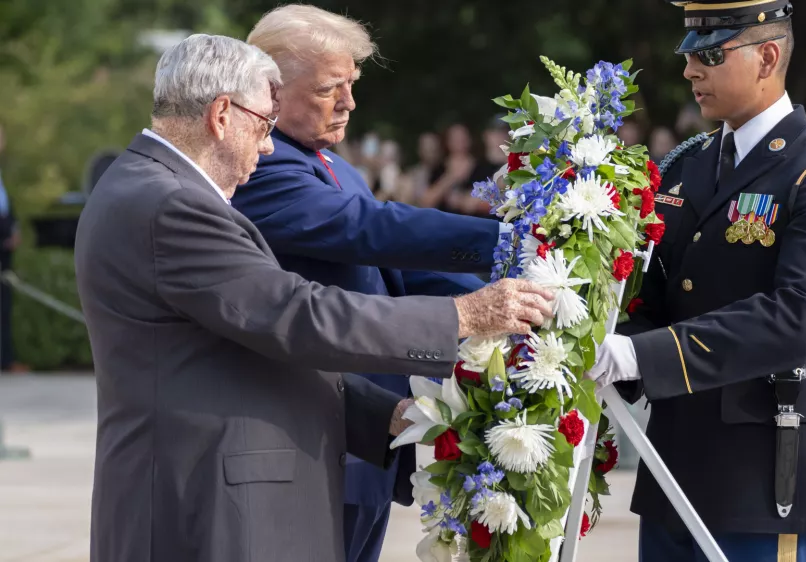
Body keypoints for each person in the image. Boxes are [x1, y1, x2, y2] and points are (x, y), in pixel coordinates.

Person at [75, 34, 553, 562]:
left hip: (218, 494)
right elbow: (295, 314)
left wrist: (391, 415)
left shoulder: (155, 188)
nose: (266, 145)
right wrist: (464, 315)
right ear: (220, 115)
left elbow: (248, 344)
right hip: (205, 505)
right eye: (262, 125)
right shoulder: (170, 203)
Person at [585, 2, 806, 560]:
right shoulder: (684, 165)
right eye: (690, 54)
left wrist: (642, 356)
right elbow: (651, 290)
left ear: (768, 57)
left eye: (711, 54)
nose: (691, 69)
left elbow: (801, 315)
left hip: (759, 468)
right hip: (672, 459)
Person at [231, 7, 512, 562]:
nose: (349, 103)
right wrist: (506, 238)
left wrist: (515, 289)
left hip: (369, 433)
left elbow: (404, 273)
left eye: (352, 84)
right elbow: (371, 229)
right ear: (271, 91)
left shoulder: (331, 164)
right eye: (330, 88)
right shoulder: (263, 169)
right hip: (318, 434)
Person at [0, 122, 22, 373]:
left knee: (5, 308)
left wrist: (14, 230)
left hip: (5, 253)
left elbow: (6, 208)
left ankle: (6, 360)